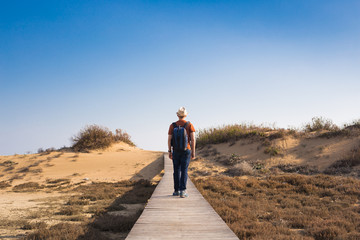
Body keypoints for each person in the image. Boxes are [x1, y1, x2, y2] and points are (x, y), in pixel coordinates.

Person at [168, 107, 196, 198]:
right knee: (184, 170)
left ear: (177, 115)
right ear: (185, 115)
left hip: (175, 150)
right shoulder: (189, 125)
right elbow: (193, 139)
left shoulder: (172, 125)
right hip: (186, 150)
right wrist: (193, 152)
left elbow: (169, 139)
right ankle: (183, 191)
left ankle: (176, 191)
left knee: (176, 170)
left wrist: (169, 151)